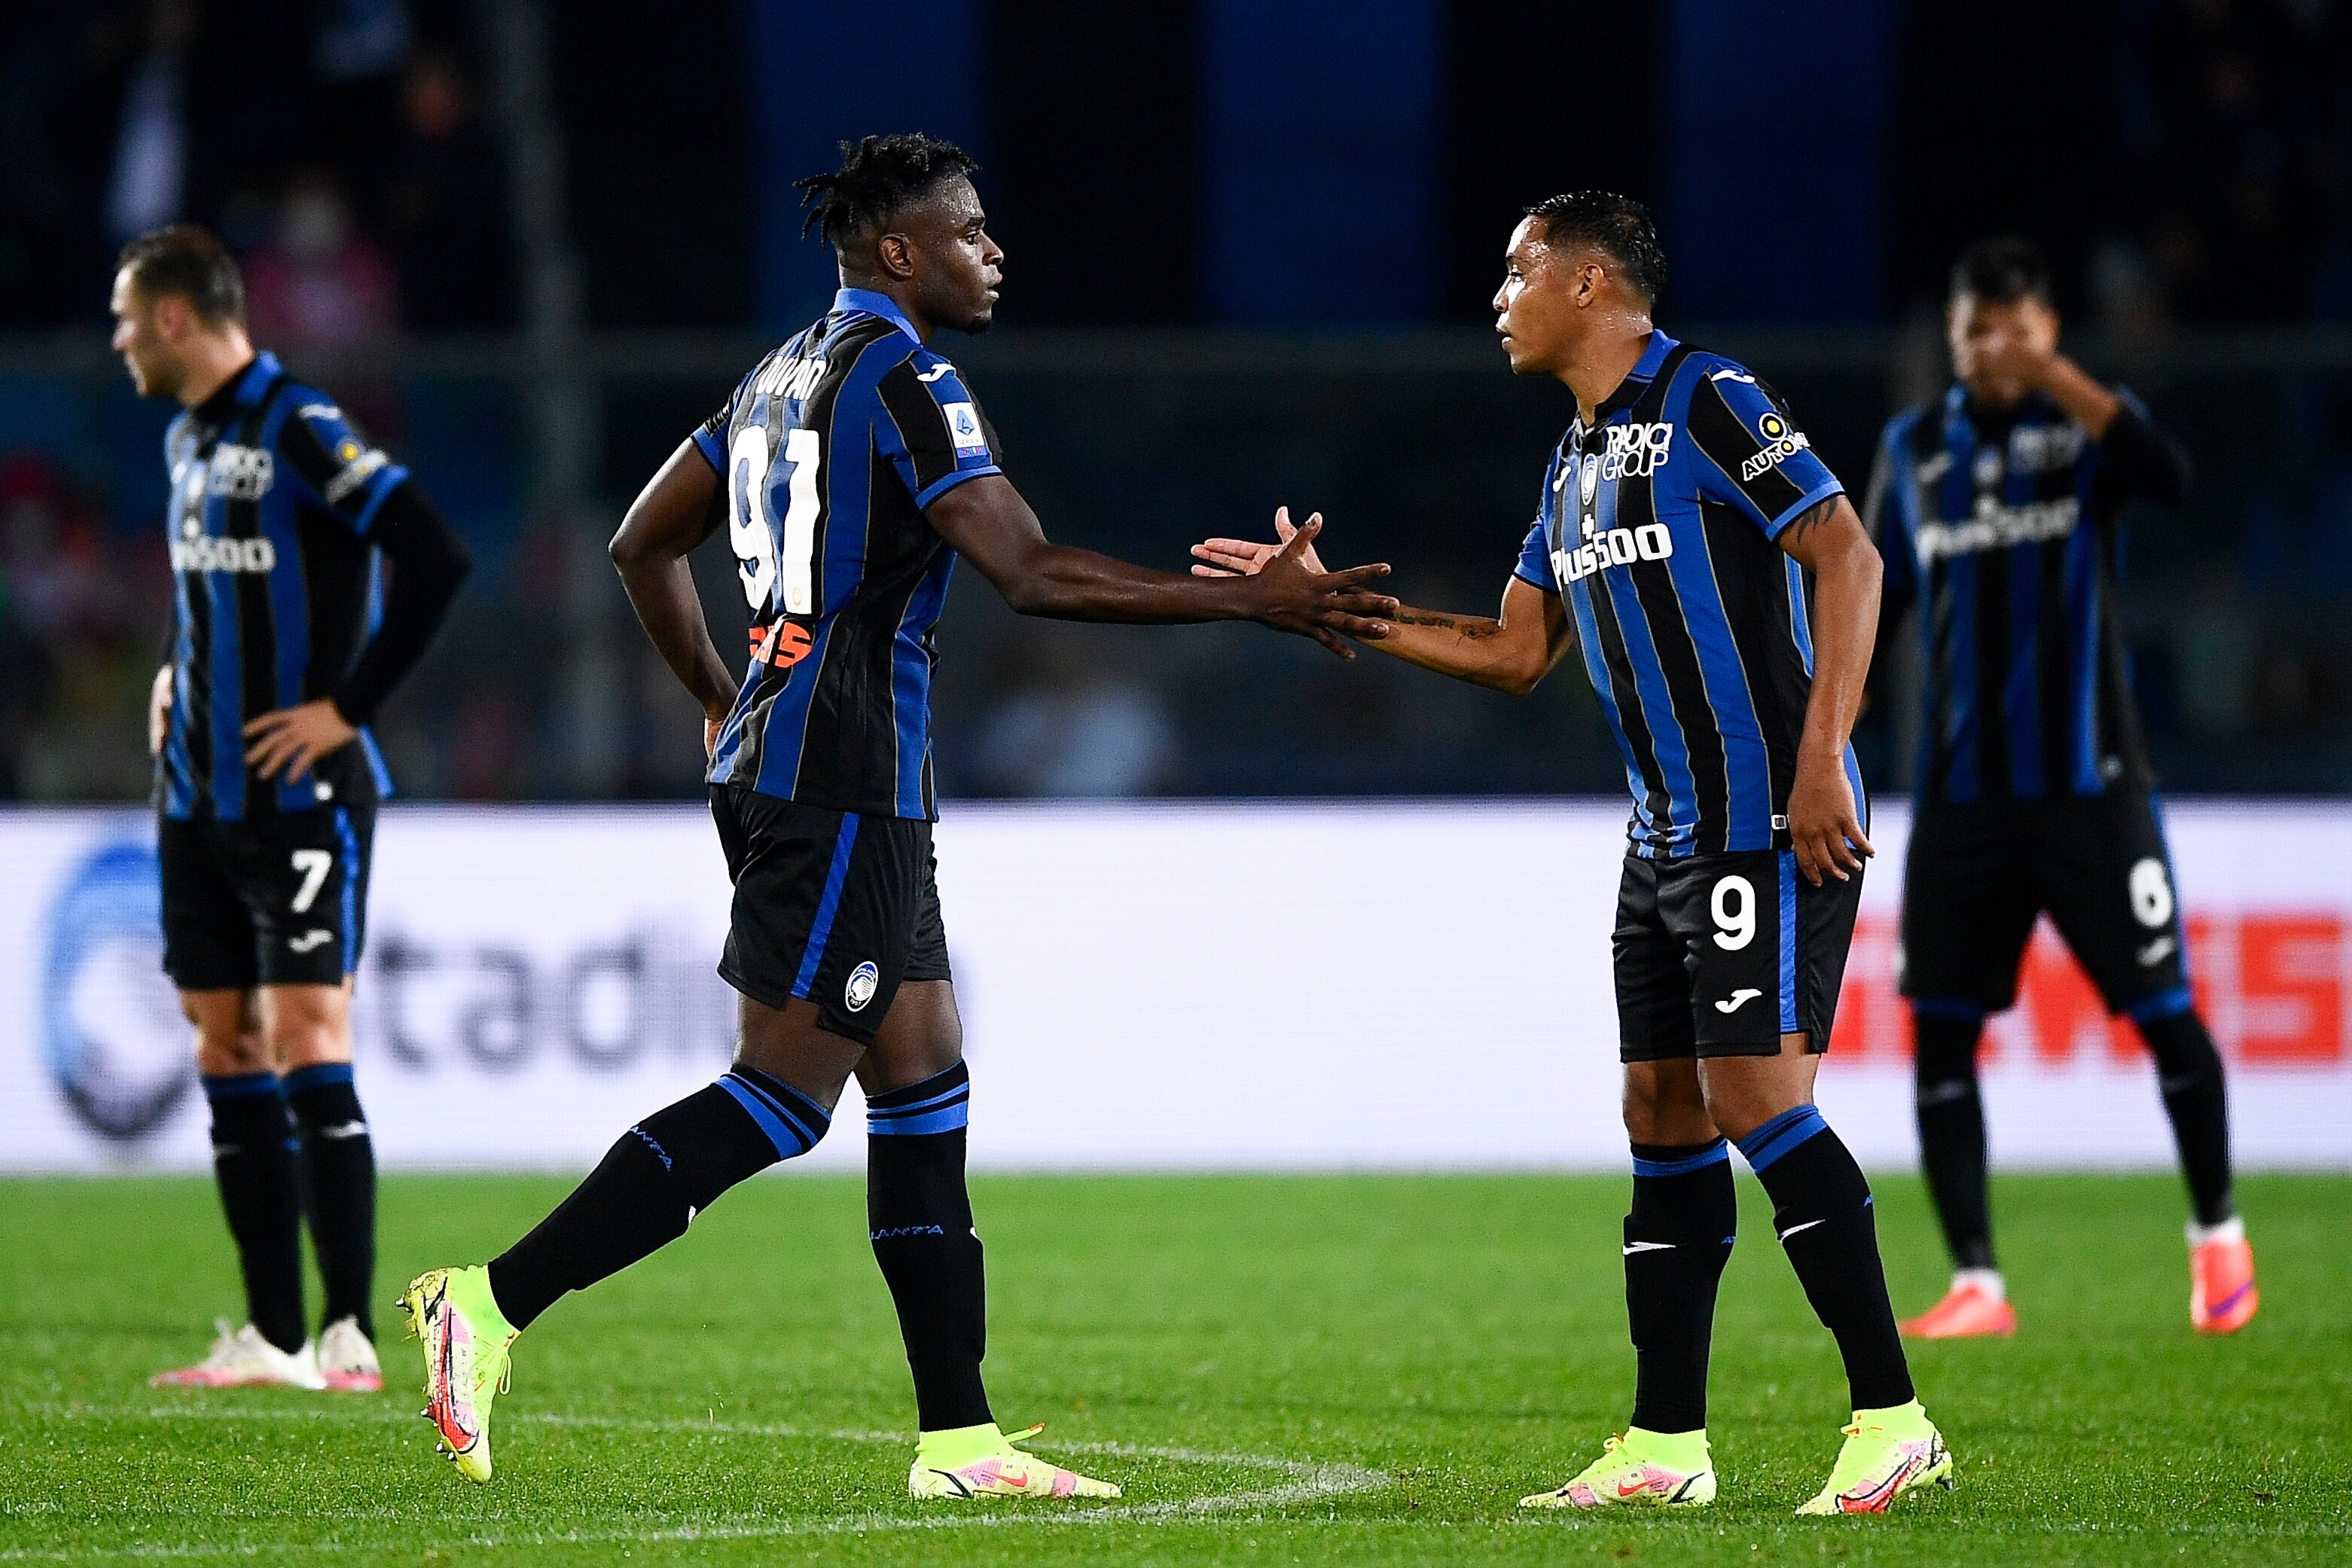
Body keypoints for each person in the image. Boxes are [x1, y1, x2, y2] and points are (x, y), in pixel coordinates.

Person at [399, 133, 1396, 1497]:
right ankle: (489, 1300)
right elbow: (1030, 573)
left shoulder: (773, 377)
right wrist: (1248, 598)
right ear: (899, 251)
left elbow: (641, 540)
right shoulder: (908, 379)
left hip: (806, 768)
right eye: (970, 231)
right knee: (781, 1095)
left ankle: (960, 1441)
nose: (994, 251)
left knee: (922, 1075)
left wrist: (721, 692)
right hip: (843, 780)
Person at [1193, 192, 1951, 1516]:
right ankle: (1666, 1444)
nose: (1499, 297)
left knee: (1755, 1100)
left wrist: (1826, 751)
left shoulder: (1710, 398)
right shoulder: (1571, 463)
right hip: (1659, 838)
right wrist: (1329, 610)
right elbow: (1512, 651)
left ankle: (1894, 1418)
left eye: (1517, 271)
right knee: (1661, 1112)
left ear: (1590, 282)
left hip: (1766, 818)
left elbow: (1849, 553)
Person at [1865, 236, 2252, 1339]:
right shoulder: (1913, 448)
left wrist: (2059, 378)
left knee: (2165, 1010)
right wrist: (1830, 728)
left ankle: (2218, 1234)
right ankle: (1978, 1282)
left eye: (2014, 330)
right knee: (1941, 1029)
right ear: (1952, 338)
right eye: (1973, 330)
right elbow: (1876, 603)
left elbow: (2172, 478)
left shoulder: (2081, 430)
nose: (1991, 349)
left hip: (2093, 789)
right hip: (1960, 796)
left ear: (2047, 333)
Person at [112, 224, 470, 1390]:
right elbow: (212, 594)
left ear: (175, 316)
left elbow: (434, 555)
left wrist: (346, 709)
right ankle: (271, 1335)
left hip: (303, 796)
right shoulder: (186, 439)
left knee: (310, 1033)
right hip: (193, 798)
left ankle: (348, 1329)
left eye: (127, 319)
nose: (118, 341)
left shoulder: (301, 425)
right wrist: (174, 671)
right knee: (225, 1042)